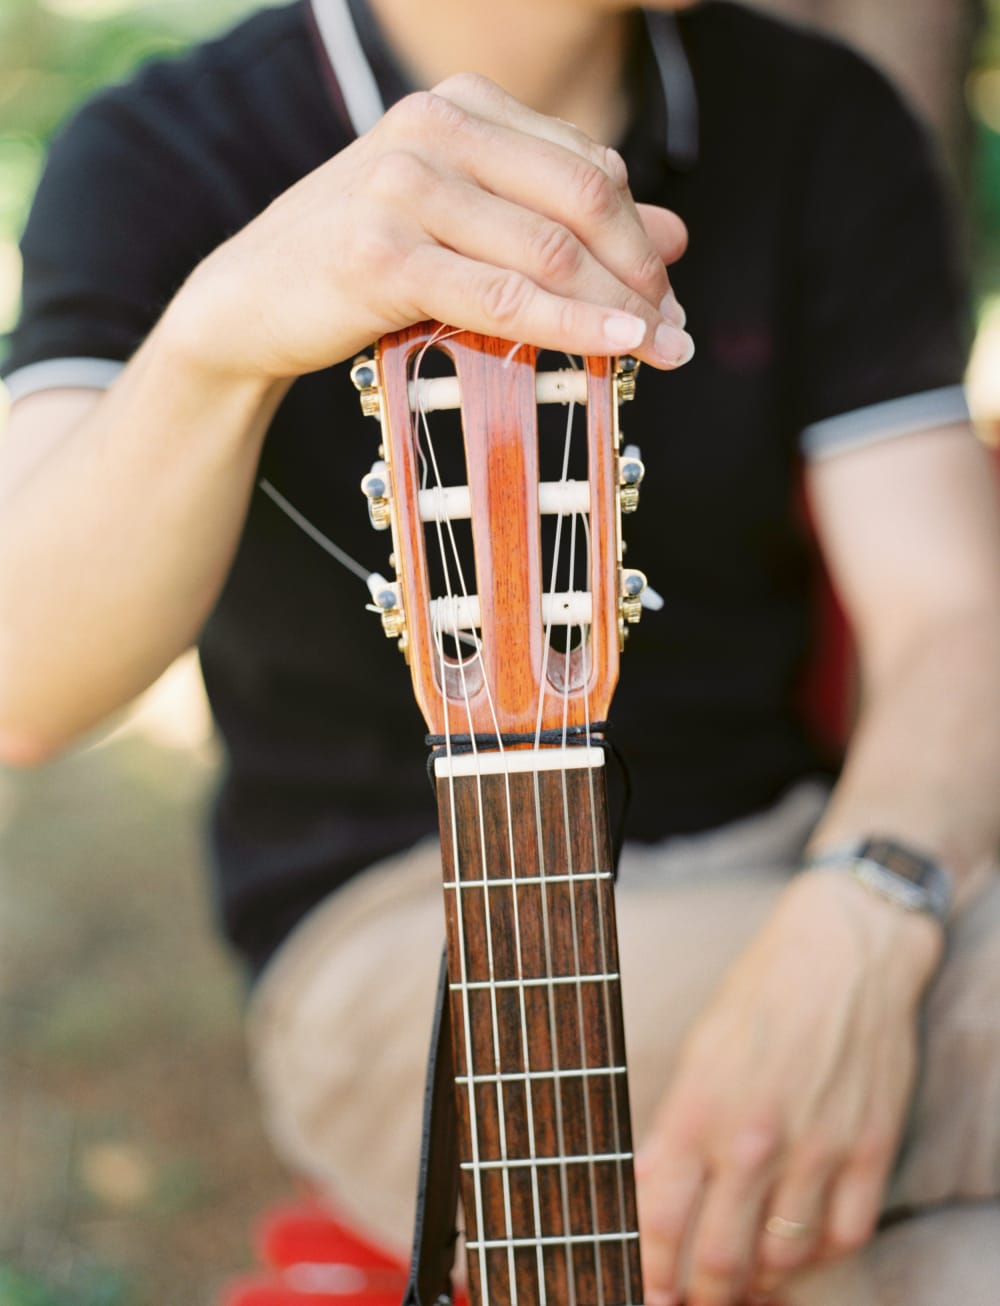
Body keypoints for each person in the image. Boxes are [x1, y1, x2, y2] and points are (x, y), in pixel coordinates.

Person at [2, 1, 1000, 1302]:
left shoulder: (819, 117)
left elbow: (953, 616)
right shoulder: (164, 148)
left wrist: (867, 911)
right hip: (405, 931)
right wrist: (216, 338)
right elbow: (24, 679)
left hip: (806, 847)